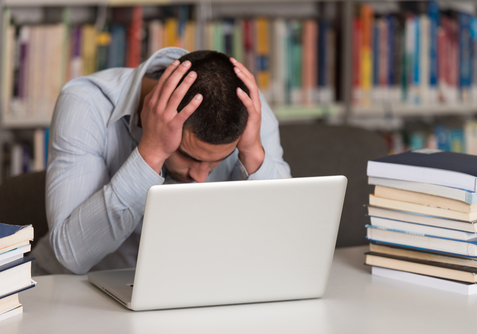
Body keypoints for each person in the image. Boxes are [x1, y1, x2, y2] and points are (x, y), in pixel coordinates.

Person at [31, 47, 291, 275]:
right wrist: (151, 152)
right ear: (151, 110)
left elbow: (284, 243)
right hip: (75, 288)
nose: (200, 178)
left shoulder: (245, 107)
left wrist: (253, 154)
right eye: (188, 156)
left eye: (215, 162)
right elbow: (72, 257)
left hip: (190, 286)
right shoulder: (86, 103)